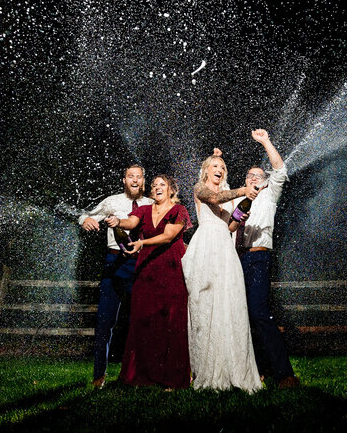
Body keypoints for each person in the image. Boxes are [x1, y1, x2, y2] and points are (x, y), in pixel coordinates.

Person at [182, 151, 263, 392]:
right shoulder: (200, 188)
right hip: (205, 245)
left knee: (230, 303)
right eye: (215, 165)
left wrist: (240, 217)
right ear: (206, 169)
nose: (219, 169)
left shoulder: (228, 197)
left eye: (222, 166)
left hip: (225, 247)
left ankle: (232, 369)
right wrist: (243, 191)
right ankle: (203, 370)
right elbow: (214, 199)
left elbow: (229, 225)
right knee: (204, 304)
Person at [106, 175, 192, 389]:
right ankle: (142, 376)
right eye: (154, 186)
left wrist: (142, 242)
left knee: (172, 322)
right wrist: (118, 222)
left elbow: (168, 236)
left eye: (162, 185)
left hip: (172, 270)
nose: (157, 188)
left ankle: (172, 377)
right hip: (146, 271)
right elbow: (131, 222)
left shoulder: (178, 211)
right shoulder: (144, 210)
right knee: (143, 319)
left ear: (171, 189)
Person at [233, 129, 299, 388]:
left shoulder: (269, 196)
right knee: (242, 315)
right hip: (236, 259)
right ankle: (256, 370)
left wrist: (265, 141)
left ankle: (284, 373)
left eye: (258, 176)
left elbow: (280, 169)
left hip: (258, 259)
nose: (253, 178)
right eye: (249, 176)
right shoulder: (239, 198)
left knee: (259, 312)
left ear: (265, 181)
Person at [78, 164, 153, 389]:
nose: (135, 180)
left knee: (144, 321)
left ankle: (143, 374)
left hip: (141, 263)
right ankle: (99, 376)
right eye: (131, 176)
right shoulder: (112, 201)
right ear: (124, 180)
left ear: (143, 180)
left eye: (139, 177)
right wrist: (84, 220)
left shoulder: (150, 204)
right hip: (114, 261)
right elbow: (85, 215)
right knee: (105, 320)